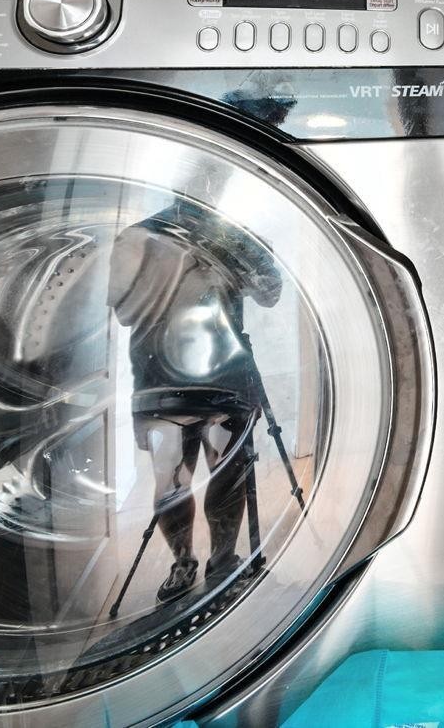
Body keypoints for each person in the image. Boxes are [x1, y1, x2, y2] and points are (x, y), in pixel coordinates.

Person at [107, 195, 283, 604]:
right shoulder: (141, 236)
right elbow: (124, 310)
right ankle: (205, 563)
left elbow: (269, 291)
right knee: (187, 477)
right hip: (185, 380)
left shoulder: (140, 235)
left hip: (184, 381)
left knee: (191, 476)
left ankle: (206, 563)